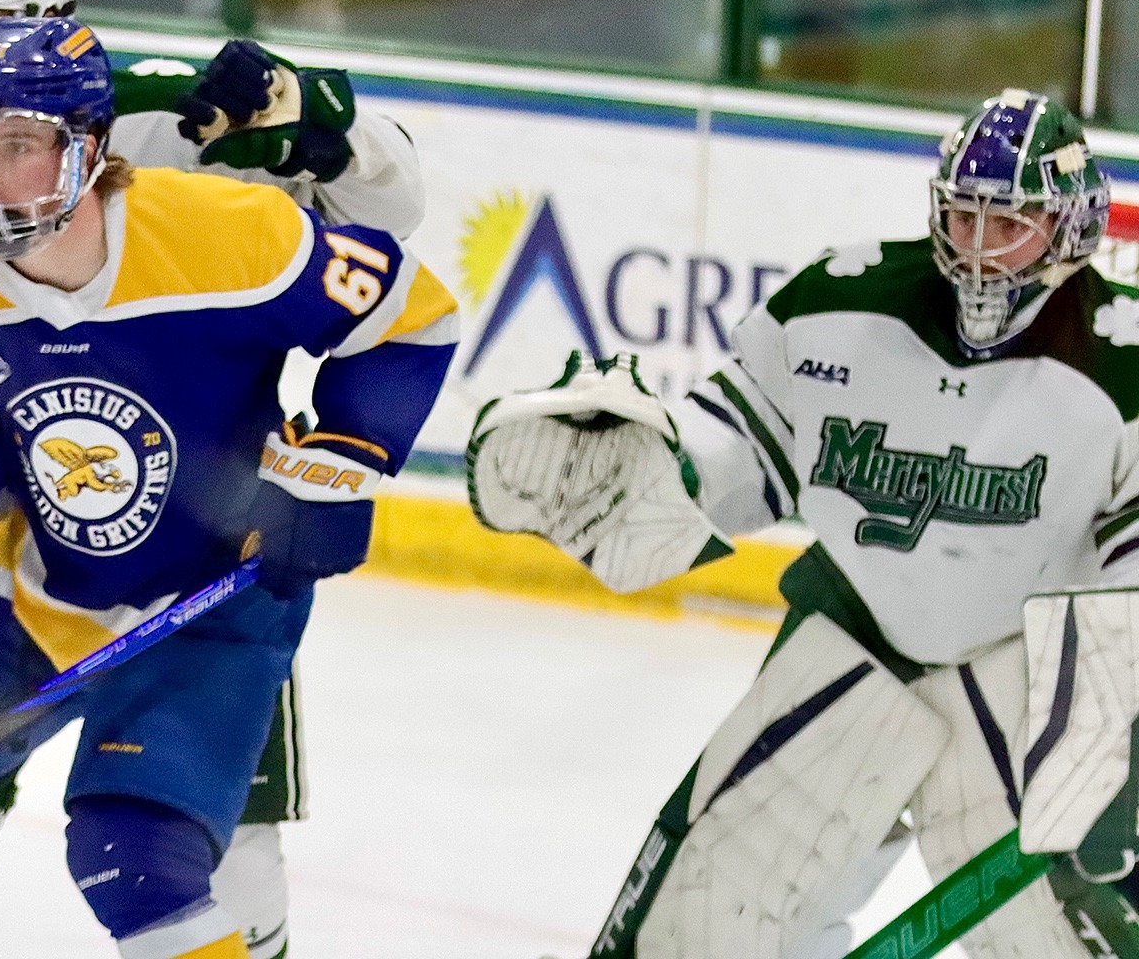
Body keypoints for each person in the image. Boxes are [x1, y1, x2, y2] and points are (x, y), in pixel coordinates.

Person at [0, 0, 427, 959]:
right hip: (18, 570)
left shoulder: (169, 122)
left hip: (210, 542)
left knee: (200, 857)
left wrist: (324, 121)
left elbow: (387, 231)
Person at [467, 89, 1139, 958]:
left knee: (1075, 941)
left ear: (1072, 229)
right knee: (695, 925)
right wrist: (656, 465)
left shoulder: (1124, 357)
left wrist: (1122, 739)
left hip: (1030, 679)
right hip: (857, 640)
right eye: (963, 217)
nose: (977, 251)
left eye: (1008, 224)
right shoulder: (839, 303)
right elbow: (745, 443)